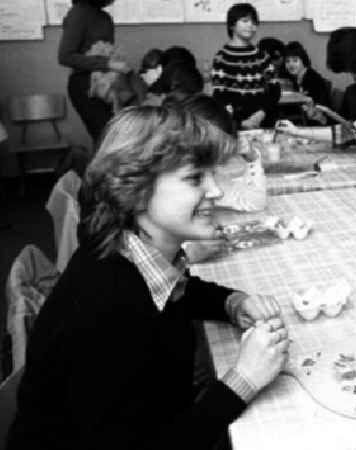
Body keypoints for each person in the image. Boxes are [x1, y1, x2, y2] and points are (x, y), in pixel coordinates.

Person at [7, 106, 289, 450]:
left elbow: (175, 288)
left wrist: (233, 302)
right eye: (195, 178)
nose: (215, 191)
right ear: (136, 188)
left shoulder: (124, 253)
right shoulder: (106, 310)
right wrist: (242, 381)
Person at [58, 0, 130, 142]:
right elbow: (65, 56)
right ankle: (95, 170)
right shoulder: (78, 14)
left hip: (106, 85)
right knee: (105, 138)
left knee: (113, 137)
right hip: (84, 86)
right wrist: (108, 64)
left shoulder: (105, 18)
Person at [211, 3, 270, 130]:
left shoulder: (261, 56)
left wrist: (262, 113)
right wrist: (240, 123)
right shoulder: (222, 57)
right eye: (245, 21)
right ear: (232, 25)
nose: (250, 25)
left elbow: (274, 90)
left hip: (262, 120)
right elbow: (219, 95)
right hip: (235, 124)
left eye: (254, 22)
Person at [283, 40, 332, 116]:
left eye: (295, 60)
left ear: (303, 60)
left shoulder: (313, 78)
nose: (291, 64)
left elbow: (318, 105)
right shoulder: (297, 76)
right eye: (287, 61)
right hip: (305, 114)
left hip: (319, 118)